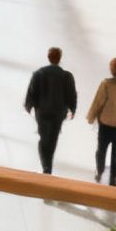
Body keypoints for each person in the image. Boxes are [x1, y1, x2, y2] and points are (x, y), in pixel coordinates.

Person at [24, 47, 77, 175]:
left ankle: (45, 165)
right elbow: (71, 94)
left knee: (43, 138)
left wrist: (29, 105)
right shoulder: (66, 76)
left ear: (49, 57)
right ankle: (48, 166)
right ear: (59, 58)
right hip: (58, 113)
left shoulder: (39, 74)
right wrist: (72, 108)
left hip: (42, 111)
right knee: (52, 139)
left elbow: (32, 92)